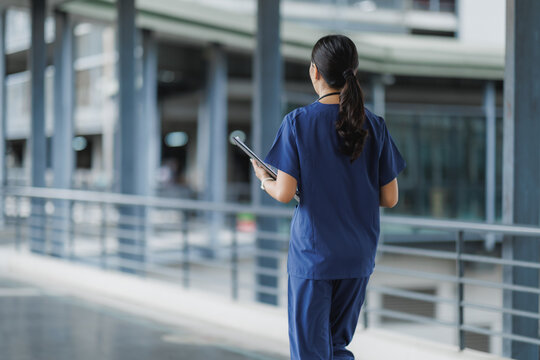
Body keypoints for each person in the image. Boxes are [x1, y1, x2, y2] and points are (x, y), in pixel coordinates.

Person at [250, 34, 406, 360]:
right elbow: (389, 197)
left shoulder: (297, 123)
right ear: (354, 72)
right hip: (357, 256)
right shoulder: (374, 125)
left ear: (314, 73)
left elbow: (285, 193)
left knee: (310, 351)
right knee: (337, 348)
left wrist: (265, 178)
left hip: (314, 257)